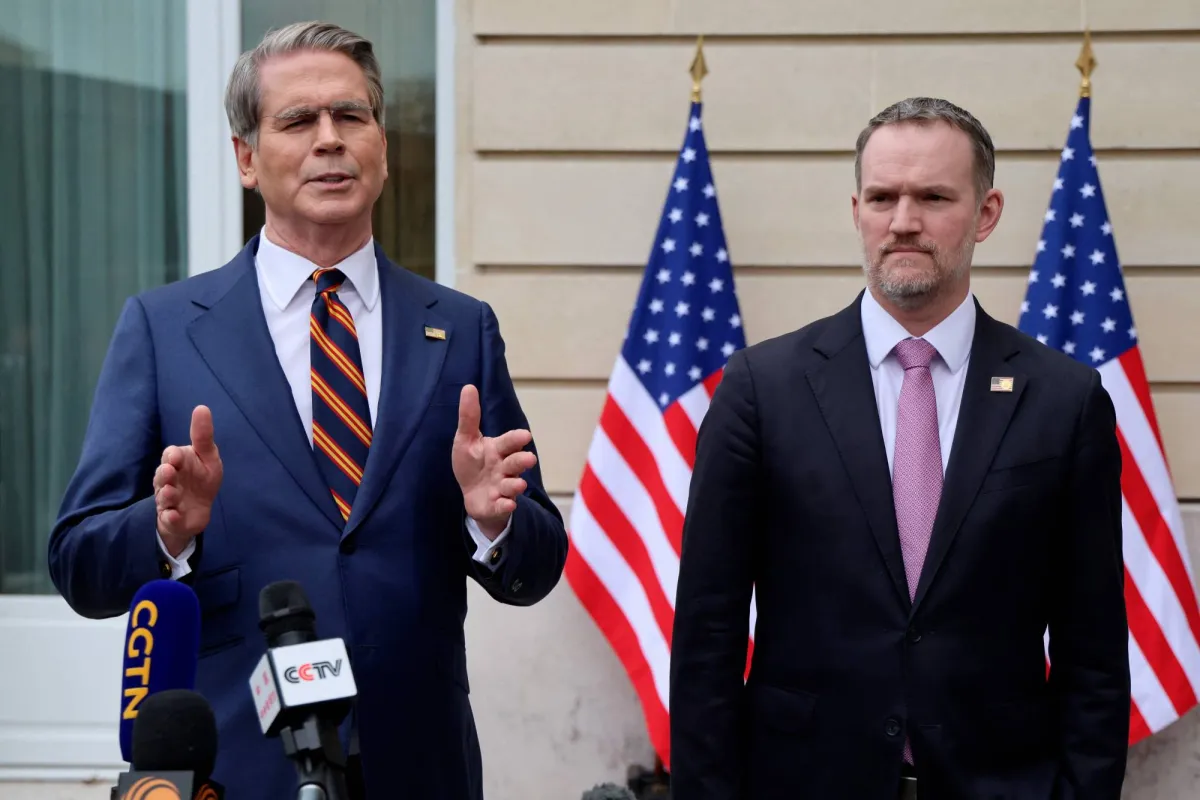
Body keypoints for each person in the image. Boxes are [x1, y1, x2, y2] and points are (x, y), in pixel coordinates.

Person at [48, 21, 568, 800]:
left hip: (418, 767)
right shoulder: (164, 329)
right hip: (240, 769)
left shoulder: (459, 329)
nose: (330, 139)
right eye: (297, 120)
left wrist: (492, 523)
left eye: (351, 115)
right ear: (246, 158)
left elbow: (539, 566)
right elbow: (79, 565)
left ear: (381, 146)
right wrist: (166, 531)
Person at [668, 97, 1130, 799]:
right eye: (883, 197)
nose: (904, 221)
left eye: (933, 197)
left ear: (986, 213)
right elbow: (708, 635)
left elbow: (1092, 651)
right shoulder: (761, 390)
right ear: (857, 210)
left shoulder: (1065, 400)